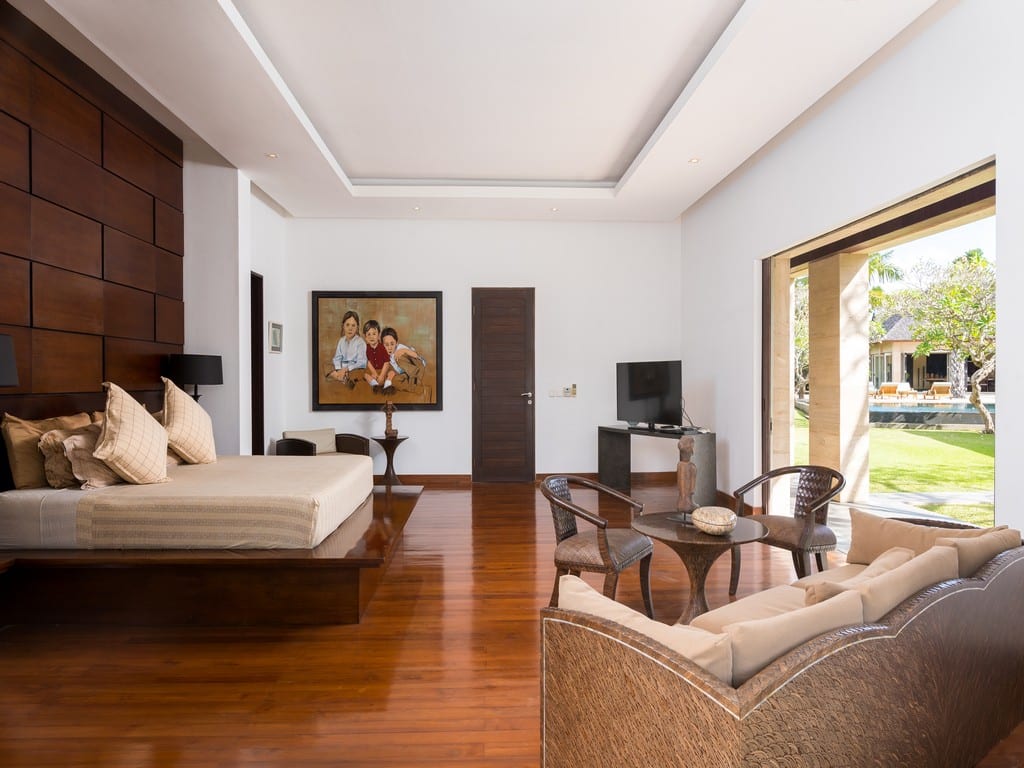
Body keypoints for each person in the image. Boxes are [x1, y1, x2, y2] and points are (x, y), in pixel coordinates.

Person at [327, 310, 366, 388]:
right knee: (326, 366)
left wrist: (347, 369)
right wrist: (339, 369)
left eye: (353, 325)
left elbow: (362, 362)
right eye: (347, 325)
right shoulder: (341, 340)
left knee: (358, 374)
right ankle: (341, 377)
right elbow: (337, 358)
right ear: (343, 326)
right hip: (342, 368)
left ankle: (342, 378)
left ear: (357, 327)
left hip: (353, 368)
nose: (350, 328)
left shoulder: (360, 342)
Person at [380, 326, 427, 391]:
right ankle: (413, 387)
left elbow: (415, 355)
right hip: (407, 373)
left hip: (418, 366)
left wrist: (404, 350)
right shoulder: (386, 356)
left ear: (396, 343)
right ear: (382, 345)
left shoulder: (399, 348)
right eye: (387, 345)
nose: (390, 347)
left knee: (398, 356)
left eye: (392, 344)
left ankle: (414, 379)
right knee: (393, 382)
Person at [362, 319, 391, 393]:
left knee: (390, 373)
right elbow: (368, 362)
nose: (371, 337)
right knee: (365, 375)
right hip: (372, 371)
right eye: (369, 334)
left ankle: (387, 386)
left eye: (374, 334)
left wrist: (381, 376)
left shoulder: (382, 347)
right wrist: (374, 373)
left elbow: (387, 362)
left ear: (379, 335)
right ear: (365, 337)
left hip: (382, 370)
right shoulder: (365, 348)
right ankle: (374, 385)